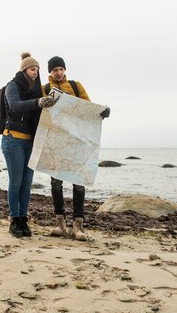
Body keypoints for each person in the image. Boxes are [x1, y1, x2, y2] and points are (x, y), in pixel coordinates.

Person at [46, 56, 110, 241]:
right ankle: (60, 222)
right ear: (50, 72)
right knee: (56, 184)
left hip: (77, 141)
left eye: (61, 69)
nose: (58, 72)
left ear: (65, 70)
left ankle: (78, 225)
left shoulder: (75, 86)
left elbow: (87, 107)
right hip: (56, 141)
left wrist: (102, 112)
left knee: (79, 182)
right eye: (55, 70)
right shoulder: (44, 89)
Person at [2, 52, 55, 238]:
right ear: (24, 69)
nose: (35, 72)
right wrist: (39, 102)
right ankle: (14, 220)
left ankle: (23, 219)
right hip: (13, 140)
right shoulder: (12, 86)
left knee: (27, 184)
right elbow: (15, 106)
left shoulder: (37, 90)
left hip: (30, 142)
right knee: (15, 182)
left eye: (37, 70)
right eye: (33, 69)